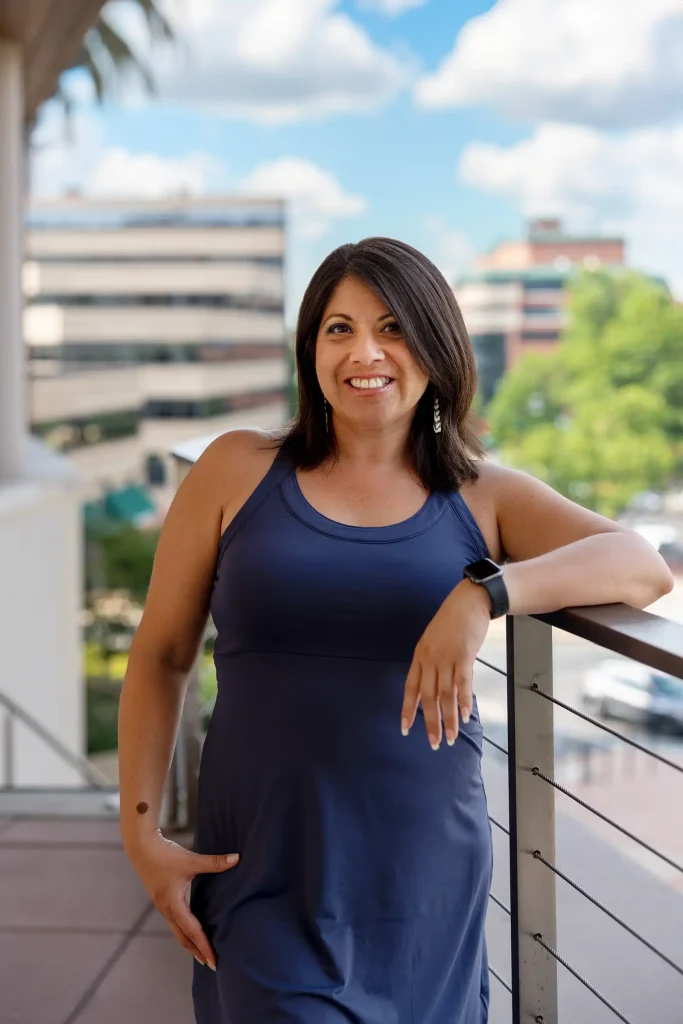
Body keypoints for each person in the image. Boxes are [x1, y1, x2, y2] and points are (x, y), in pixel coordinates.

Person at [118, 237, 673, 1024]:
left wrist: (485, 592)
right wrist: (143, 838)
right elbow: (163, 654)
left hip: (421, 885)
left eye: (392, 327)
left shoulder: (482, 495)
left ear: (437, 345)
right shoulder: (235, 469)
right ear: (309, 347)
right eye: (337, 328)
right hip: (262, 872)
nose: (365, 352)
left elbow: (640, 563)